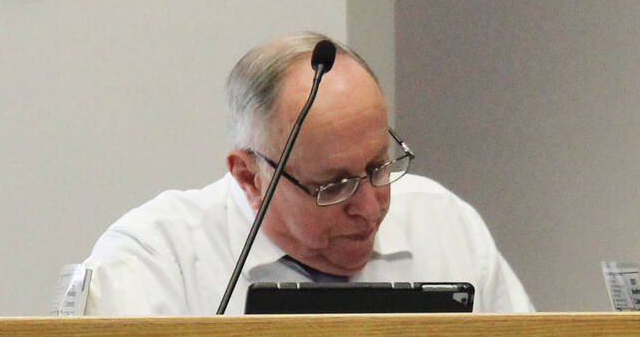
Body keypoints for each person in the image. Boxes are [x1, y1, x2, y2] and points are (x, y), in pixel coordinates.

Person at [84, 32, 532, 315]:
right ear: (249, 176)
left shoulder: (444, 222)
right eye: (334, 186)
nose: (370, 207)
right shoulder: (154, 260)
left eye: (378, 167)